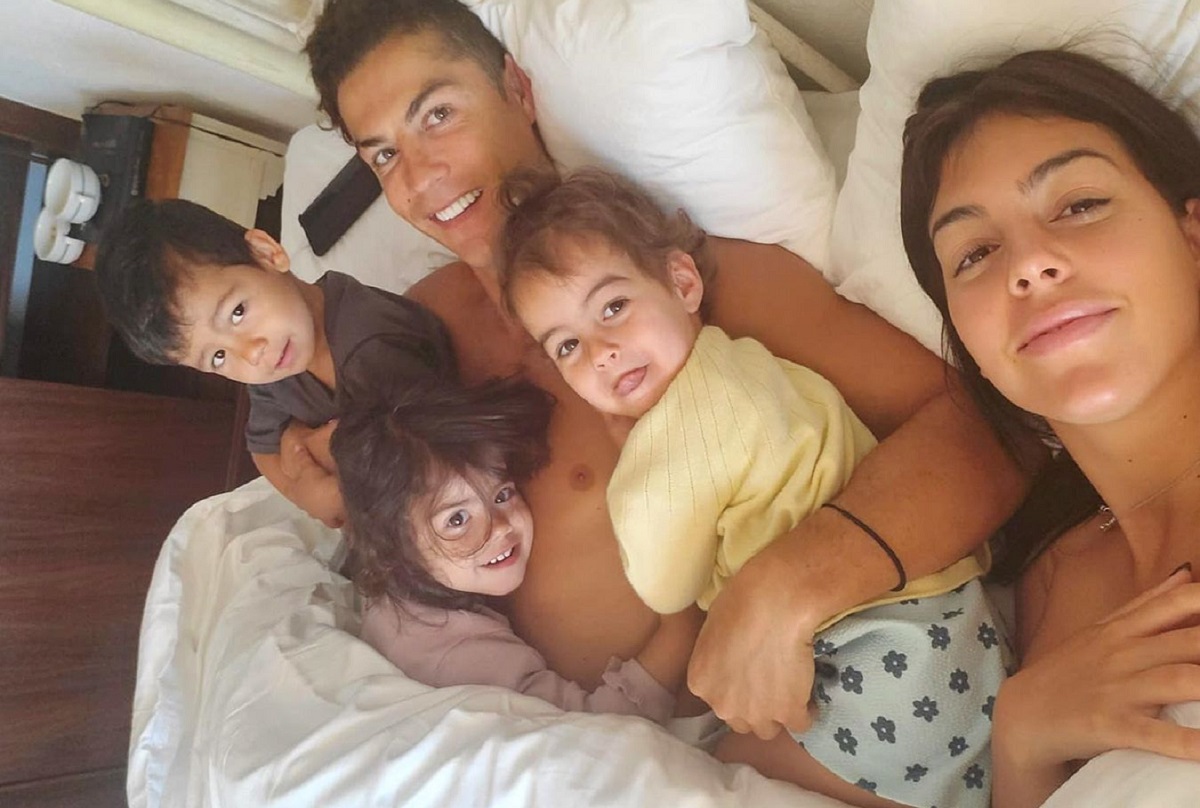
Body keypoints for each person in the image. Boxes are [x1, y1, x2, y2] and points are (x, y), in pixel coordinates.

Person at [302, 0, 1029, 748]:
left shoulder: (683, 287)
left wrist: (790, 584)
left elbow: (988, 436)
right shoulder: (420, 330)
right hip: (536, 742)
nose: (419, 180)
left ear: (518, 89)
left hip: (766, 729)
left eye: (437, 115)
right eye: (382, 156)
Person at [498, 167, 1007, 807]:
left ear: (684, 282)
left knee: (715, 773)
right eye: (568, 346)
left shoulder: (668, 445)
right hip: (953, 630)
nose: (601, 351)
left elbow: (664, 586)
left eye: (613, 308)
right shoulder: (743, 360)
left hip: (879, 663)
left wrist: (636, 466)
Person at [899, 48, 1200, 808]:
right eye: (975, 254)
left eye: (1080, 205)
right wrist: (1022, 736)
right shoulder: (1054, 578)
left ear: (1192, 233)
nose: (1028, 266)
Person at [334, 375, 702, 723]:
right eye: (457, 519)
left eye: (502, 494)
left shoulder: (392, 591)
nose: (500, 526)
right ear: (392, 544)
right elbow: (596, 728)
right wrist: (681, 628)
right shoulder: (461, 659)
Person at [93, 198, 456, 528]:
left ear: (266, 253)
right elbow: (262, 448)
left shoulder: (370, 344)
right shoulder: (276, 369)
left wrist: (314, 460)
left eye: (237, 313)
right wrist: (305, 491)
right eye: (218, 357)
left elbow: (424, 474)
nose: (249, 353)